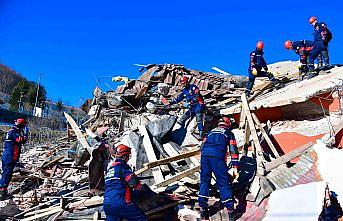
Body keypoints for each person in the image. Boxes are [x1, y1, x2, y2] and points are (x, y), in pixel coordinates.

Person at [198, 117, 239, 221]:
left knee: (204, 182)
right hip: (217, 158)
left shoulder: (210, 132)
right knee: (223, 183)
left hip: (205, 156)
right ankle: (231, 211)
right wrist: (235, 167)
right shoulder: (229, 133)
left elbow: (202, 147)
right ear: (228, 124)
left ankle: (203, 209)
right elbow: (233, 150)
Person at [103, 144, 147, 221]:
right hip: (121, 203)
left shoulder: (110, 169)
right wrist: (141, 188)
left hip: (107, 205)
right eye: (128, 156)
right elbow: (134, 183)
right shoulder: (123, 167)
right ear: (124, 156)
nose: (128, 159)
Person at [0, 118, 28, 200]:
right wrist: (25, 134)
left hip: (8, 155)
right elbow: (21, 140)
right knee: (7, 174)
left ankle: (2, 190)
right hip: (10, 156)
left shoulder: (12, 131)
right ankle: (2, 193)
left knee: (5, 173)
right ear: (21, 126)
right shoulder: (14, 132)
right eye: (23, 127)